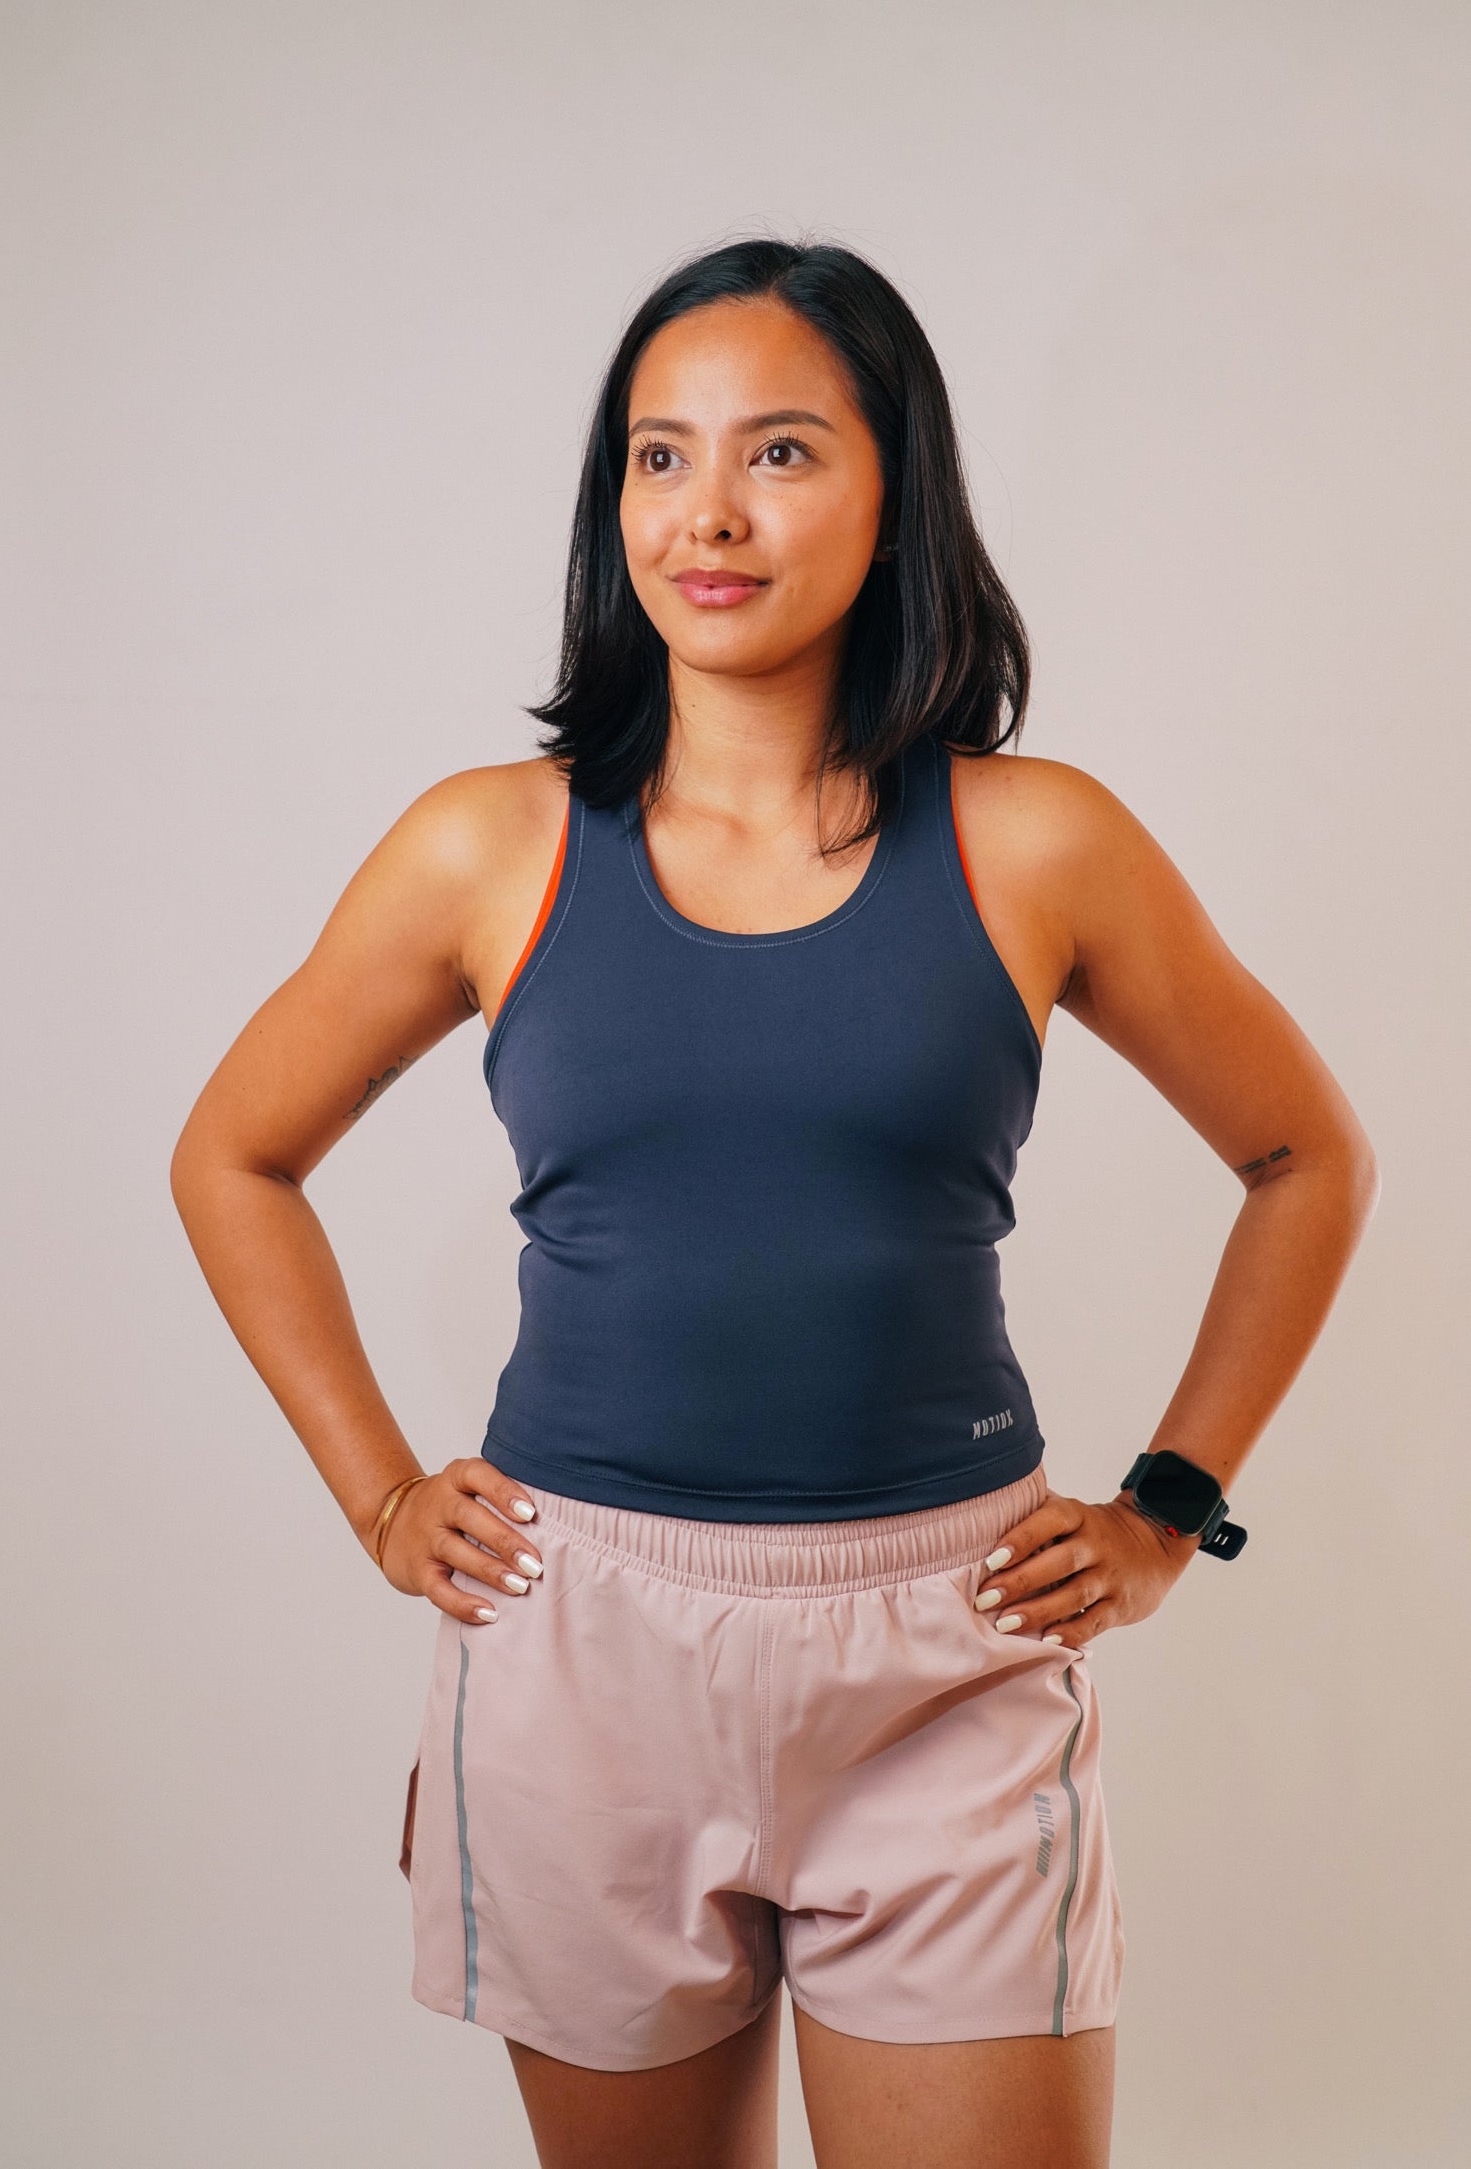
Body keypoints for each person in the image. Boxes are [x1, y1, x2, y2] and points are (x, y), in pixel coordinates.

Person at [170, 237, 1378, 2169]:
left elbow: (1304, 1156)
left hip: (948, 1643)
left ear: (897, 489)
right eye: (659, 455)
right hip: (577, 1649)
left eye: (782, 451)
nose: (706, 513)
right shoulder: (486, 846)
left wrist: (1168, 1507)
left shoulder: (1036, 839)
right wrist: (381, 1496)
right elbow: (232, 1154)